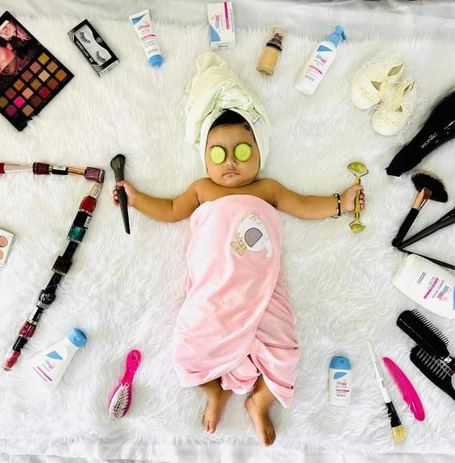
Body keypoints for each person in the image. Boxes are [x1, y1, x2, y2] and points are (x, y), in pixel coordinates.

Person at [111, 53, 365, 447]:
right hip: (213, 291)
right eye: (218, 154)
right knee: (189, 347)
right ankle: (215, 390)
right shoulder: (202, 189)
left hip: (264, 292)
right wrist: (136, 197)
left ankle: (259, 401)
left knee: (286, 351)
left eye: (243, 152)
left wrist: (339, 203)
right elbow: (170, 210)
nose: (230, 162)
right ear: (205, 157)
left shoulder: (268, 190)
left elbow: (304, 204)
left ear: (259, 153)